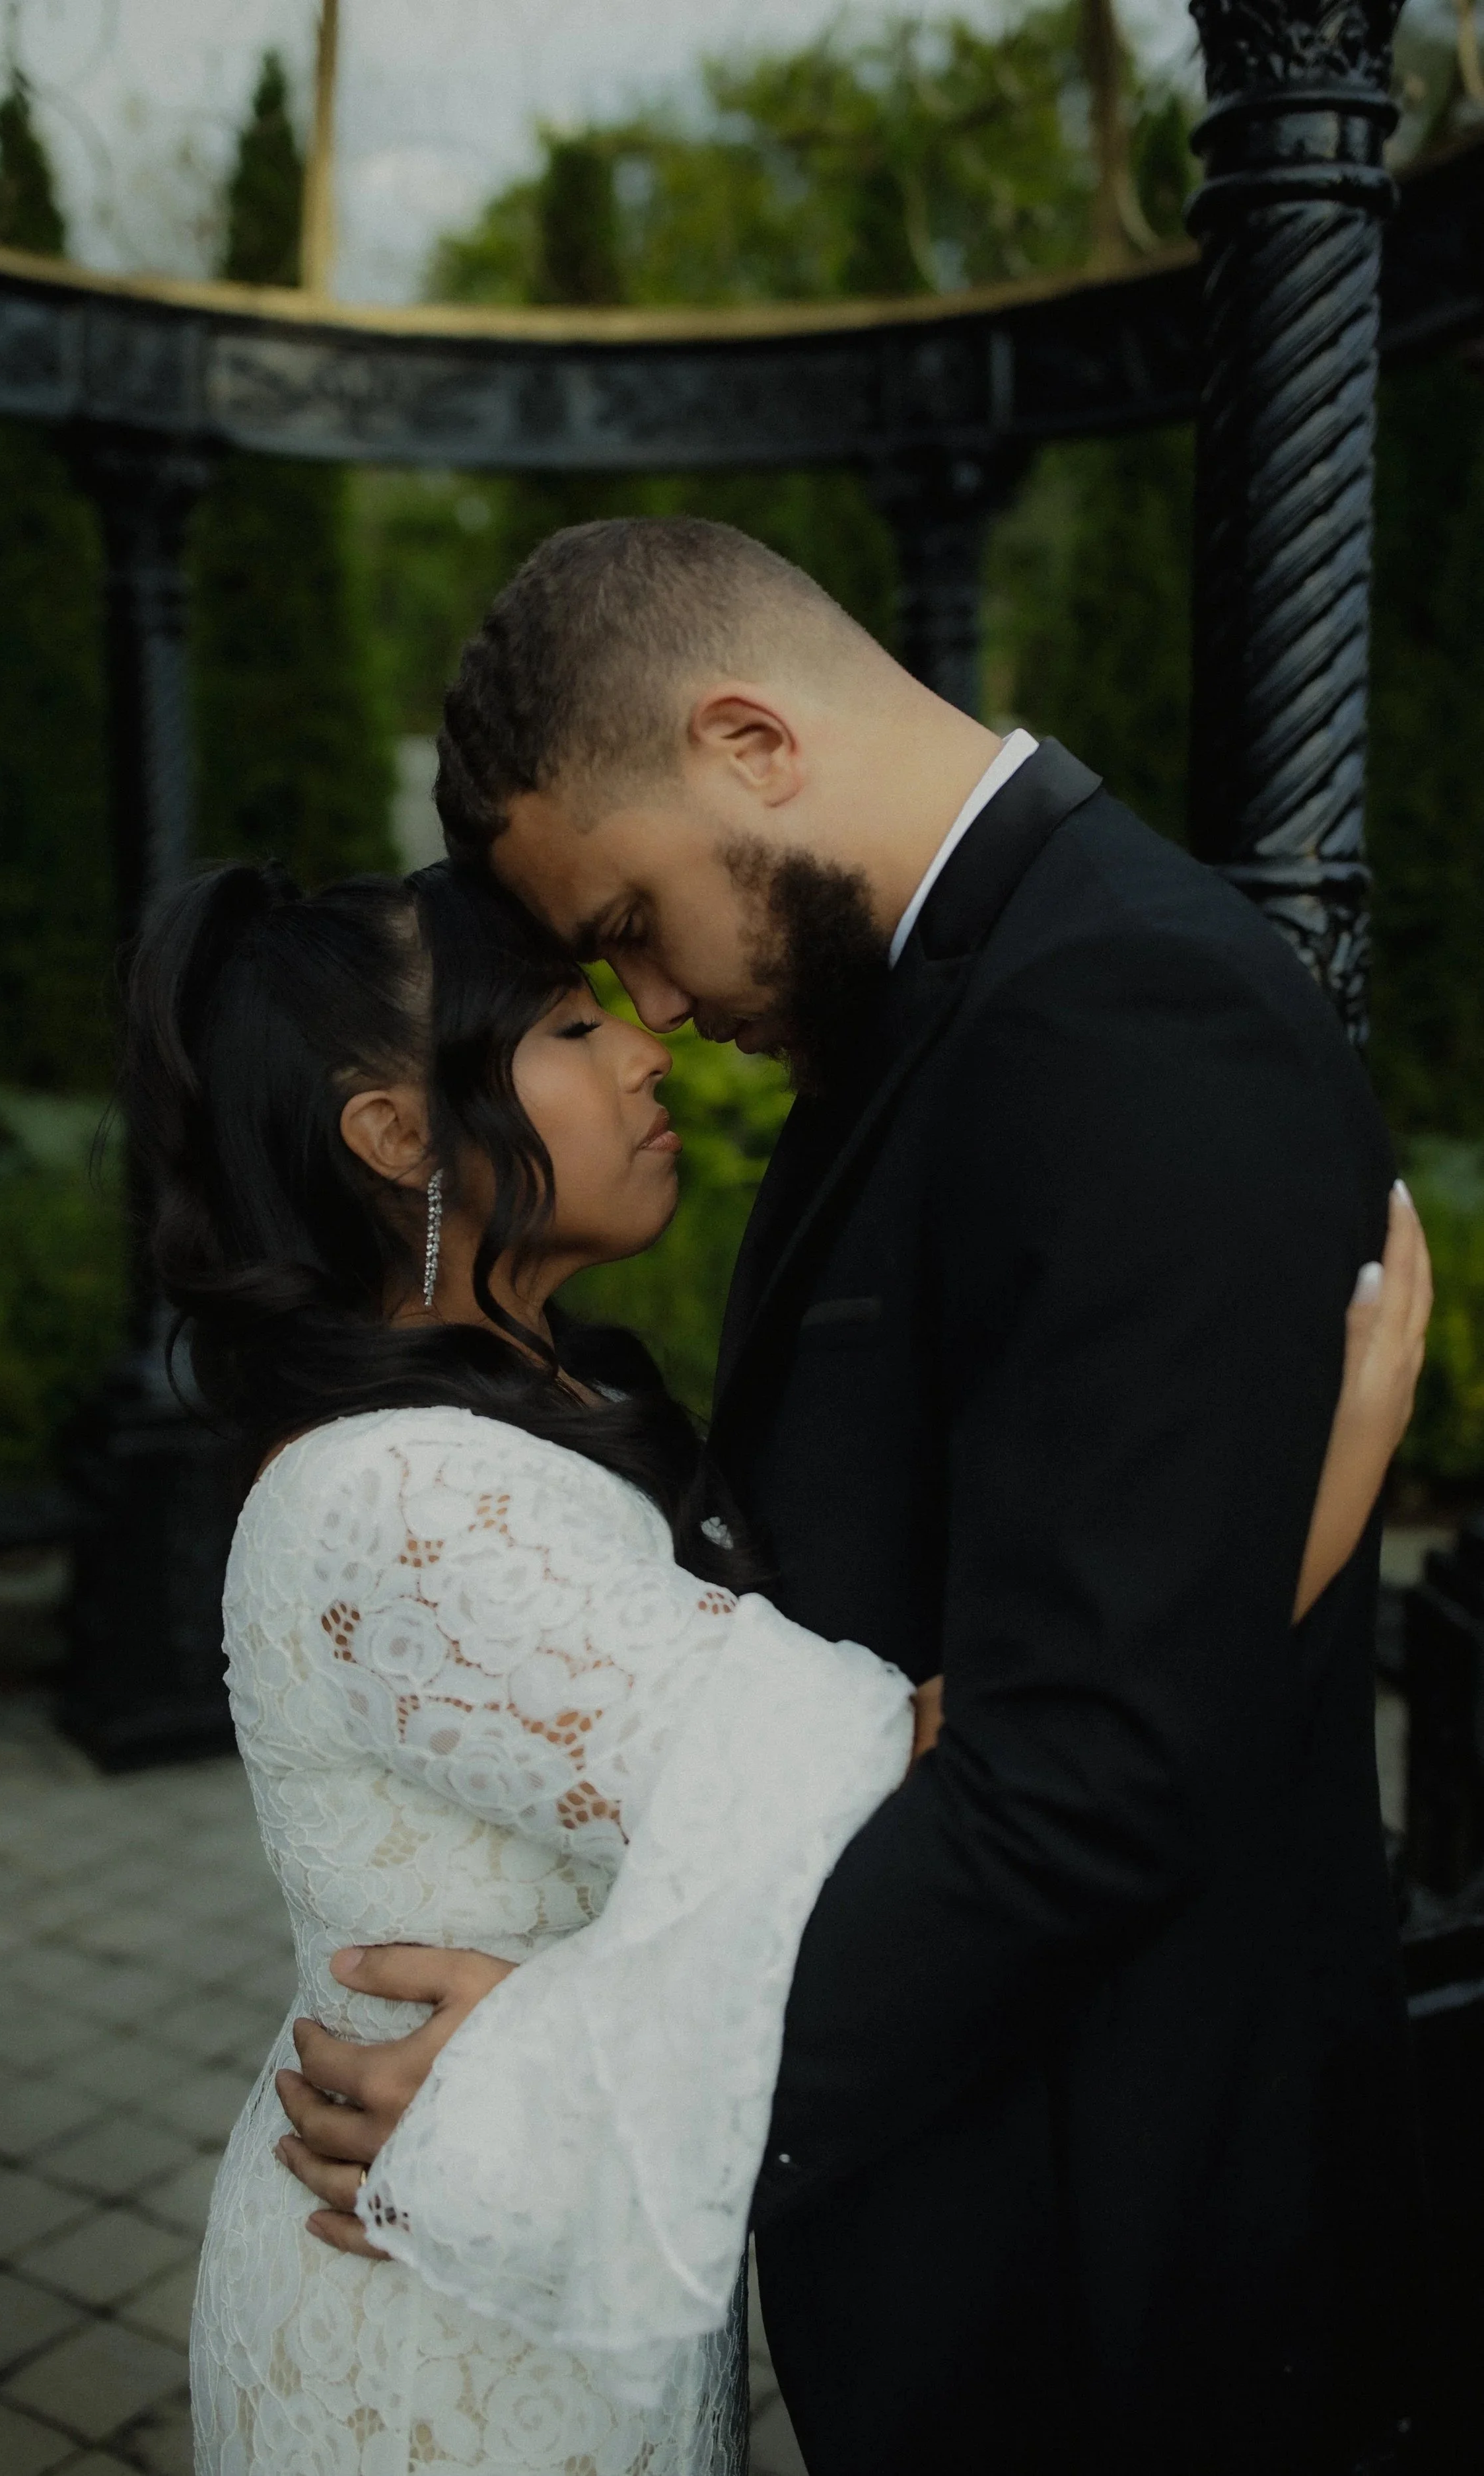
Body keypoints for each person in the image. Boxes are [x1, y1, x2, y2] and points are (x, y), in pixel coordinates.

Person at [273, 518, 1434, 2476]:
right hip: (998, 2200)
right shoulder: (950, 1004)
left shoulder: (1118, 1012)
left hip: (1113, 2248)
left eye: (629, 920)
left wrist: (578, 2088)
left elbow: (1082, 1773)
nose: (645, 996)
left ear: (748, 737)